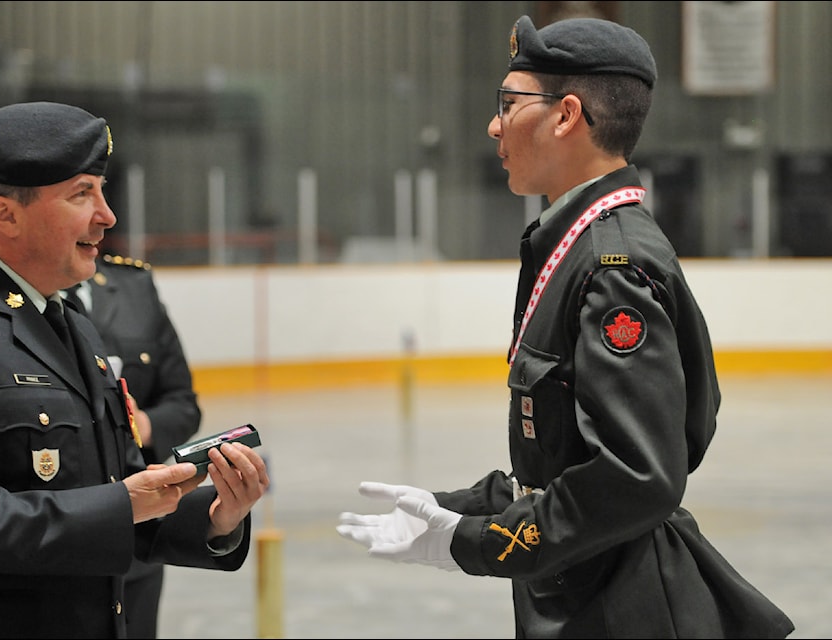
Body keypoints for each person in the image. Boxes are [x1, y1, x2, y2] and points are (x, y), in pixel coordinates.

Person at [337, 15, 794, 639]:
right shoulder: (575, 244)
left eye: (508, 103)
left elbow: (638, 477)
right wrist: (456, 510)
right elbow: (565, 456)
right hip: (578, 586)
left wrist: (476, 544)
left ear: (565, 115)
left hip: (621, 607)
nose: (493, 125)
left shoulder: (616, 265)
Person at [0, 101, 269, 639]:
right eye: (82, 194)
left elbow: (112, 494)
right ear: (5, 215)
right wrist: (123, 502)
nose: (107, 216)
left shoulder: (69, 322)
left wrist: (215, 517)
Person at [66, 252, 203, 638]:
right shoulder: (3, 300)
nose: (103, 215)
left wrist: (142, 424)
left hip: (136, 541)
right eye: (80, 194)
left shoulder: (134, 287)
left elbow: (183, 405)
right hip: (54, 538)